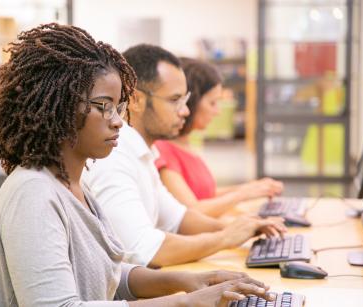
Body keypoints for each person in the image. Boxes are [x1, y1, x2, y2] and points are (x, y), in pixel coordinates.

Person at [0, 23, 276, 307]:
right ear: (62, 108)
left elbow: (108, 275)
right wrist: (186, 301)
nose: (118, 121)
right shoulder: (34, 194)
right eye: (103, 107)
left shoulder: (72, 184)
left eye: (117, 107)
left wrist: (190, 281)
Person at [83, 44, 286, 268]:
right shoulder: (115, 158)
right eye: (174, 100)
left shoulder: (143, 153)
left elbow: (178, 218)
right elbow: (144, 250)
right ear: (136, 100)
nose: (185, 111)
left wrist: (243, 226)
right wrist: (225, 238)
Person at [154, 58, 284, 218]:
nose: (218, 111)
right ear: (191, 102)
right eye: (212, 103)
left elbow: (205, 195)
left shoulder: (185, 144)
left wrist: (251, 189)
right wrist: (243, 194)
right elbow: (192, 211)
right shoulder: (163, 150)